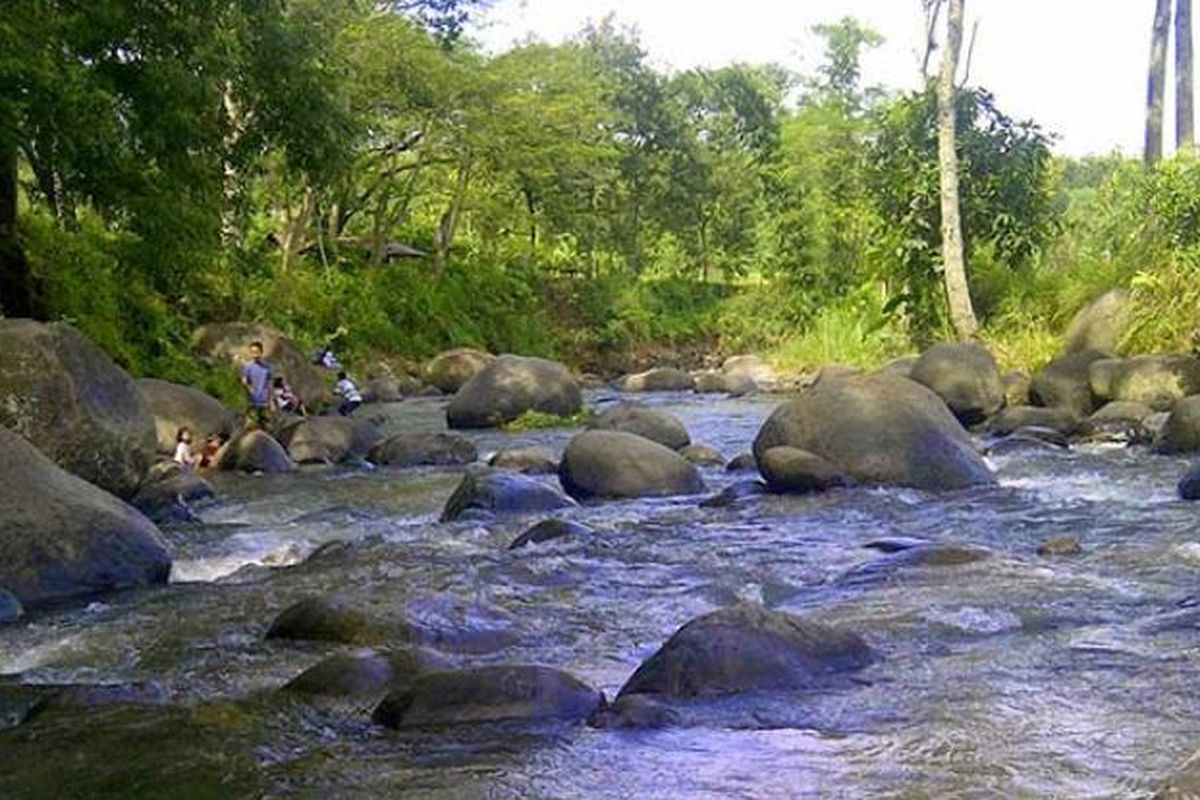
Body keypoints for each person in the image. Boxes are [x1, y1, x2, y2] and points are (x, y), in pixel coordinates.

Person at [241, 340, 274, 428]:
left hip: (264, 402)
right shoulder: (248, 366)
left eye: (256, 352)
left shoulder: (267, 367)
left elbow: (270, 384)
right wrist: (249, 388)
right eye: (252, 352)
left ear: (261, 352)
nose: (254, 355)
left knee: (267, 426)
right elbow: (244, 380)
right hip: (252, 401)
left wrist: (271, 401)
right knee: (251, 426)